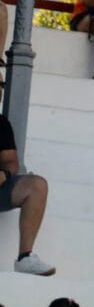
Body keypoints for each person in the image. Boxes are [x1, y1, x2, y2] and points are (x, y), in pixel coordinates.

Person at [0, 112, 55, 275]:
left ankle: (25, 258)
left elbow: (11, 162)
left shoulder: (1, 123)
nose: (0, 91)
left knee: (37, 185)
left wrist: (4, 174)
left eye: (2, 86)